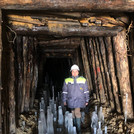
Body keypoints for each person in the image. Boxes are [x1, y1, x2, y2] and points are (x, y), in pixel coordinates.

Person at [62, 64, 89, 134]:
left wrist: (87, 100)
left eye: (76, 71)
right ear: (71, 72)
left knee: (77, 113)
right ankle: (74, 128)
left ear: (78, 72)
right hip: (70, 100)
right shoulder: (67, 80)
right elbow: (64, 91)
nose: (74, 73)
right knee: (73, 113)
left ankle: (78, 130)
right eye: (73, 71)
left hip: (79, 100)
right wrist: (64, 100)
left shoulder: (83, 80)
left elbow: (86, 91)